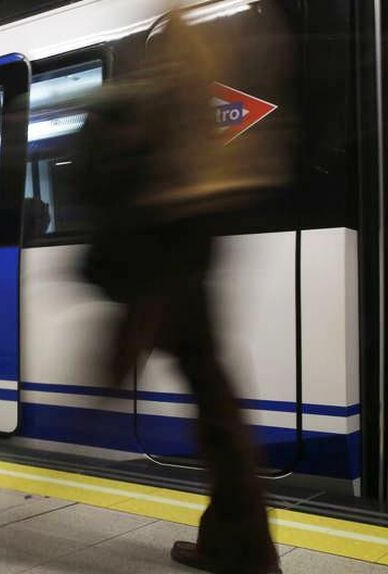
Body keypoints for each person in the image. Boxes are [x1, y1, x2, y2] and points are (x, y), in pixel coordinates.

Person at [78, 10, 287, 574]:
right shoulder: (208, 52)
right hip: (194, 231)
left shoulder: (175, 54)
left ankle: (244, 548)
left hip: (169, 233)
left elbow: (143, 156)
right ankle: (238, 544)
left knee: (210, 396)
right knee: (211, 388)